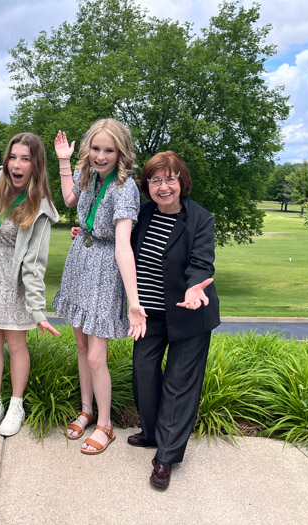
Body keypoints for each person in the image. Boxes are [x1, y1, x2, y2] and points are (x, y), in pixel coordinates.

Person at [52, 119, 146, 455]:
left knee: (96, 356)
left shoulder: (125, 187)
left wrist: (133, 302)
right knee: (81, 346)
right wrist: (64, 160)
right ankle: (86, 410)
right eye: (96, 148)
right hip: (81, 261)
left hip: (106, 271)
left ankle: (105, 424)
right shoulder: (87, 175)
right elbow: (67, 200)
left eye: (109, 150)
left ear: (120, 152)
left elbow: (124, 246)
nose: (101, 156)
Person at [128, 151, 220, 489]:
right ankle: (152, 433)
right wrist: (87, 235)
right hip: (149, 314)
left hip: (190, 315)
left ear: (182, 181)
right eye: (155, 180)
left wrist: (196, 287)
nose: (163, 186)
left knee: (179, 385)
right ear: (147, 185)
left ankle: (166, 456)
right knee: (144, 372)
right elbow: (123, 246)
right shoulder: (143, 214)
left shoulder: (200, 219)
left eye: (170, 179)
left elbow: (202, 262)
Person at [0, 132, 61, 437]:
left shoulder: (39, 207)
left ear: (36, 165)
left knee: (16, 345)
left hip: (13, 283)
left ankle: (16, 404)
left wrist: (37, 309)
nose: (16, 164)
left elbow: (34, 264)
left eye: (25, 159)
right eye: (13, 157)